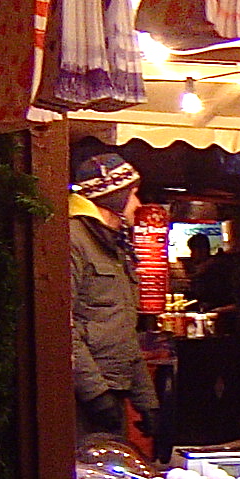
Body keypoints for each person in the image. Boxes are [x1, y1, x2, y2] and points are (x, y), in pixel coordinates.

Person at [70, 154, 158, 439]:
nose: (138, 205)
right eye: (133, 195)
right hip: (81, 400)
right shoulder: (73, 240)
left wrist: (147, 402)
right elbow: (61, 325)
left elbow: (123, 329)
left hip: (113, 390)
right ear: (113, 199)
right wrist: (95, 394)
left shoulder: (115, 245)